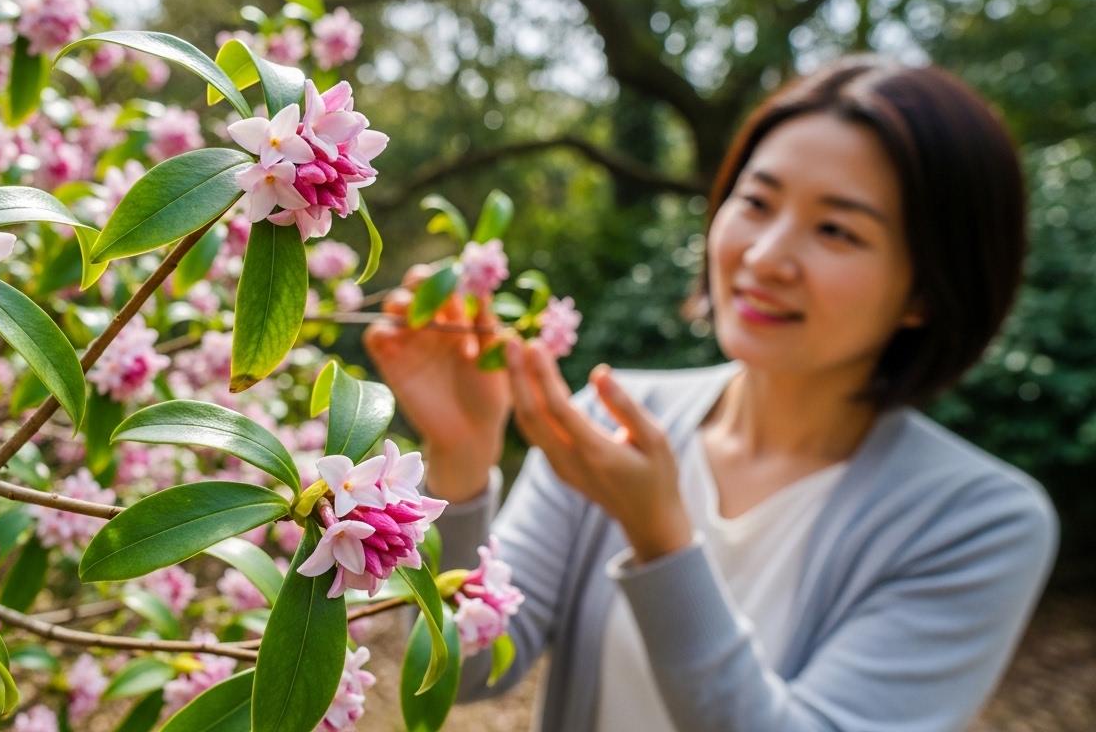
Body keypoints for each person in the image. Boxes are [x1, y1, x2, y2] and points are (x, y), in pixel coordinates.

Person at [363, 55, 1059, 731]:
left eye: (836, 230)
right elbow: (465, 671)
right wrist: (458, 458)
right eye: (756, 202)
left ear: (926, 290)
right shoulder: (605, 422)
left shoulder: (981, 522)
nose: (763, 256)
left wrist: (662, 540)